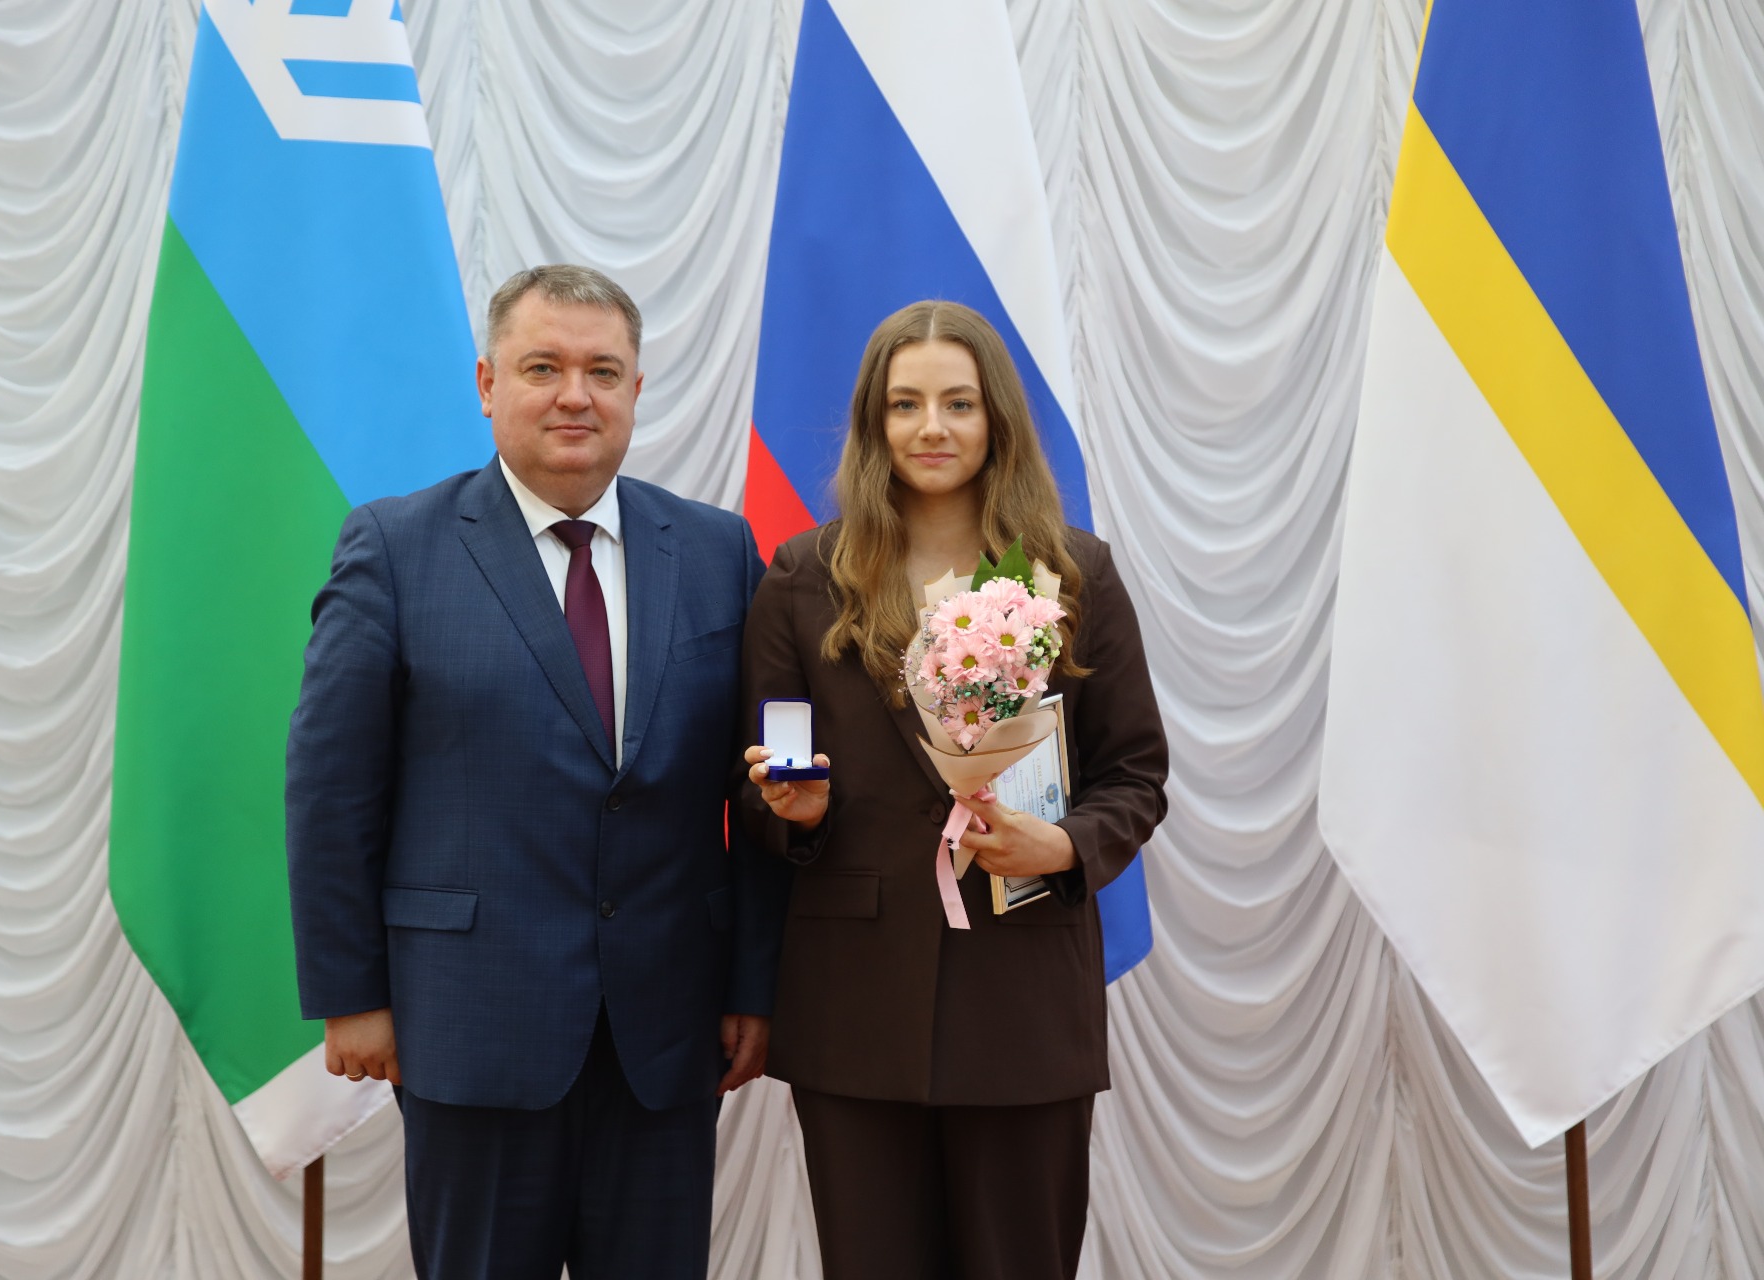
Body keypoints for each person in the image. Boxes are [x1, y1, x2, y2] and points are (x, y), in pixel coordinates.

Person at [286, 264, 787, 1280]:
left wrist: (754, 982)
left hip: (667, 1035)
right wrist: (352, 992)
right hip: (469, 1026)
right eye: (543, 367)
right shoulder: (395, 547)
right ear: (487, 382)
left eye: (602, 371)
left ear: (636, 389)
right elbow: (332, 790)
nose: (575, 395)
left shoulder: (717, 550)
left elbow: (758, 789)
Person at [741, 300, 1168, 1280]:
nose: (931, 427)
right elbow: (756, 769)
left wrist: (1064, 847)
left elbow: (1135, 772)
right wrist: (791, 810)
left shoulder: (1072, 574)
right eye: (905, 404)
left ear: (996, 418)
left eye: (958, 403)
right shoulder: (803, 575)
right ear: (873, 421)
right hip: (855, 1004)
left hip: (1024, 995)